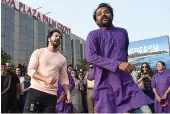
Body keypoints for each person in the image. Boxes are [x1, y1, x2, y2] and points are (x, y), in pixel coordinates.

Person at [85, 3, 153, 113]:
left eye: (106, 12)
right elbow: (91, 56)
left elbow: (124, 53)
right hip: (105, 84)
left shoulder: (122, 32)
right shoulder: (93, 35)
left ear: (112, 15)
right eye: (99, 14)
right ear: (95, 20)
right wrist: (117, 64)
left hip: (126, 83)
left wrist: (125, 66)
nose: (103, 15)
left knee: (146, 111)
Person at [24, 29, 71, 113]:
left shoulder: (63, 59)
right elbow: (30, 70)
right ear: (49, 38)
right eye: (56, 36)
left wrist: (68, 93)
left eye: (60, 37)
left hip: (51, 95)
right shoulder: (38, 52)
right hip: (35, 92)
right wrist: (46, 79)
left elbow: (64, 77)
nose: (58, 38)